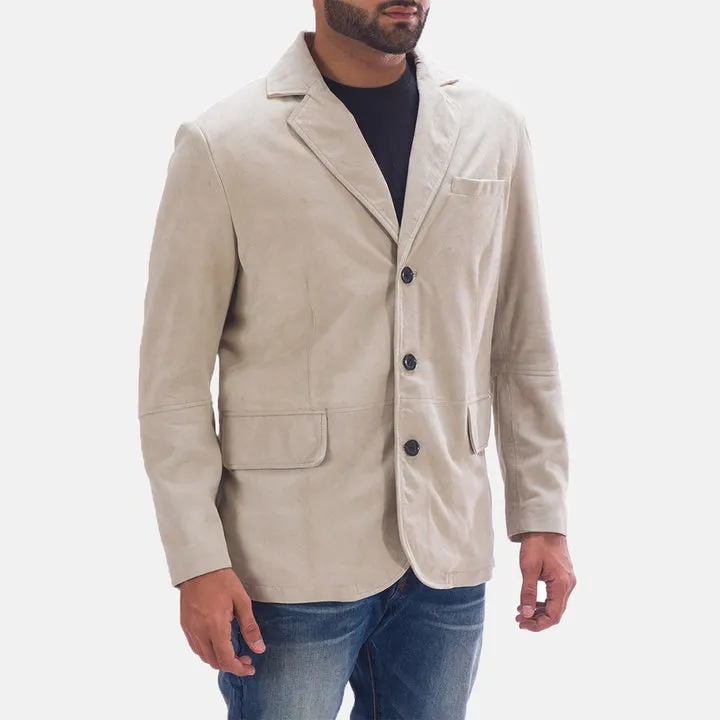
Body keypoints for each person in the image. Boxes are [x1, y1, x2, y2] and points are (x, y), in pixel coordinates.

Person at [138, 1, 577, 717]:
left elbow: (521, 337)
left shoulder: (494, 129)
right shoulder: (224, 143)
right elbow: (174, 381)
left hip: (446, 549)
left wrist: (543, 515)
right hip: (284, 565)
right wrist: (198, 561)